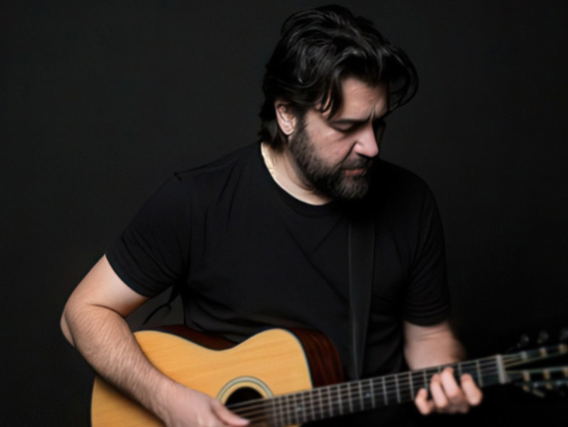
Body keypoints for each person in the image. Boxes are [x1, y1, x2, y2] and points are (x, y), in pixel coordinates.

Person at [61, 5, 482, 426]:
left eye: (378, 123)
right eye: (346, 127)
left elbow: (429, 335)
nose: (371, 146)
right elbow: (82, 312)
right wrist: (166, 400)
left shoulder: (409, 202)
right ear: (287, 115)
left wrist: (444, 377)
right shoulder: (196, 201)